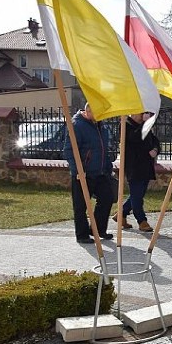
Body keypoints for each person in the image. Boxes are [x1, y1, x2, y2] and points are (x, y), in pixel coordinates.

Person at [63, 103, 115, 244]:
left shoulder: (100, 125)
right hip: (83, 173)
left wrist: (108, 167)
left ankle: (98, 229)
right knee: (81, 205)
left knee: (107, 198)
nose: (100, 117)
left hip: (100, 172)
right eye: (98, 114)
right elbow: (69, 150)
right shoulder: (77, 125)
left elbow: (104, 148)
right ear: (88, 111)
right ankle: (82, 235)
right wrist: (77, 170)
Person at [117, 112, 159, 232]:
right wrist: (145, 123)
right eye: (141, 113)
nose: (143, 115)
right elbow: (135, 137)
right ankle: (141, 221)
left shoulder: (145, 125)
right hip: (134, 166)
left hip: (146, 166)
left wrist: (156, 149)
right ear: (134, 113)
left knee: (138, 194)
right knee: (137, 196)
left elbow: (154, 140)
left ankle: (121, 214)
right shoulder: (126, 124)